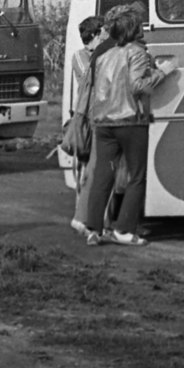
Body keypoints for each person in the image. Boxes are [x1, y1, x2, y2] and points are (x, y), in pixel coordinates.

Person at [83, 3, 176, 245]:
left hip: (103, 123)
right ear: (133, 29)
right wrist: (162, 72)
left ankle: (93, 229)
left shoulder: (102, 55)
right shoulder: (137, 52)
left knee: (103, 175)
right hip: (130, 122)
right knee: (136, 177)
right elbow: (138, 86)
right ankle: (123, 230)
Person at [68, 15, 106, 235]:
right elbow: (90, 76)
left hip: (99, 117)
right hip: (85, 118)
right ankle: (80, 213)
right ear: (94, 34)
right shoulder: (81, 57)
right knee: (85, 165)